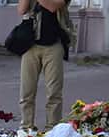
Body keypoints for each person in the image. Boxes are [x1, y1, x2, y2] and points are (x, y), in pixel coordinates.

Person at [18, 0, 72, 129]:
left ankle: (52, 127)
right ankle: (26, 127)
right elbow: (21, 10)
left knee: (54, 91)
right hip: (30, 45)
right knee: (27, 90)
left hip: (53, 45)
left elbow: (52, 6)